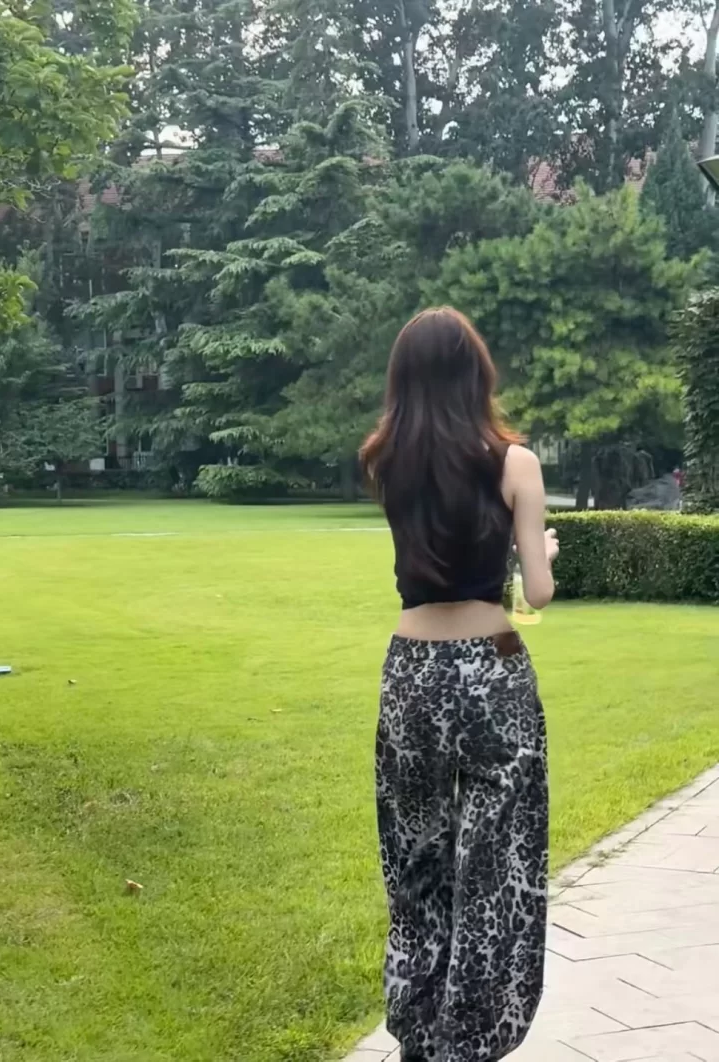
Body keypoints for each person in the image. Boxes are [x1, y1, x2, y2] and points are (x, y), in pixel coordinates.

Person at [359, 307, 558, 1062]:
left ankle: (419, 1028)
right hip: (493, 669)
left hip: (411, 672)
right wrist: (541, 551)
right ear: (477, 373)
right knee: (497, 863)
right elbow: (535, 596)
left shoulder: (386, 460)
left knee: (416, 857)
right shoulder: (515, 463)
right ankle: (472, 1038)